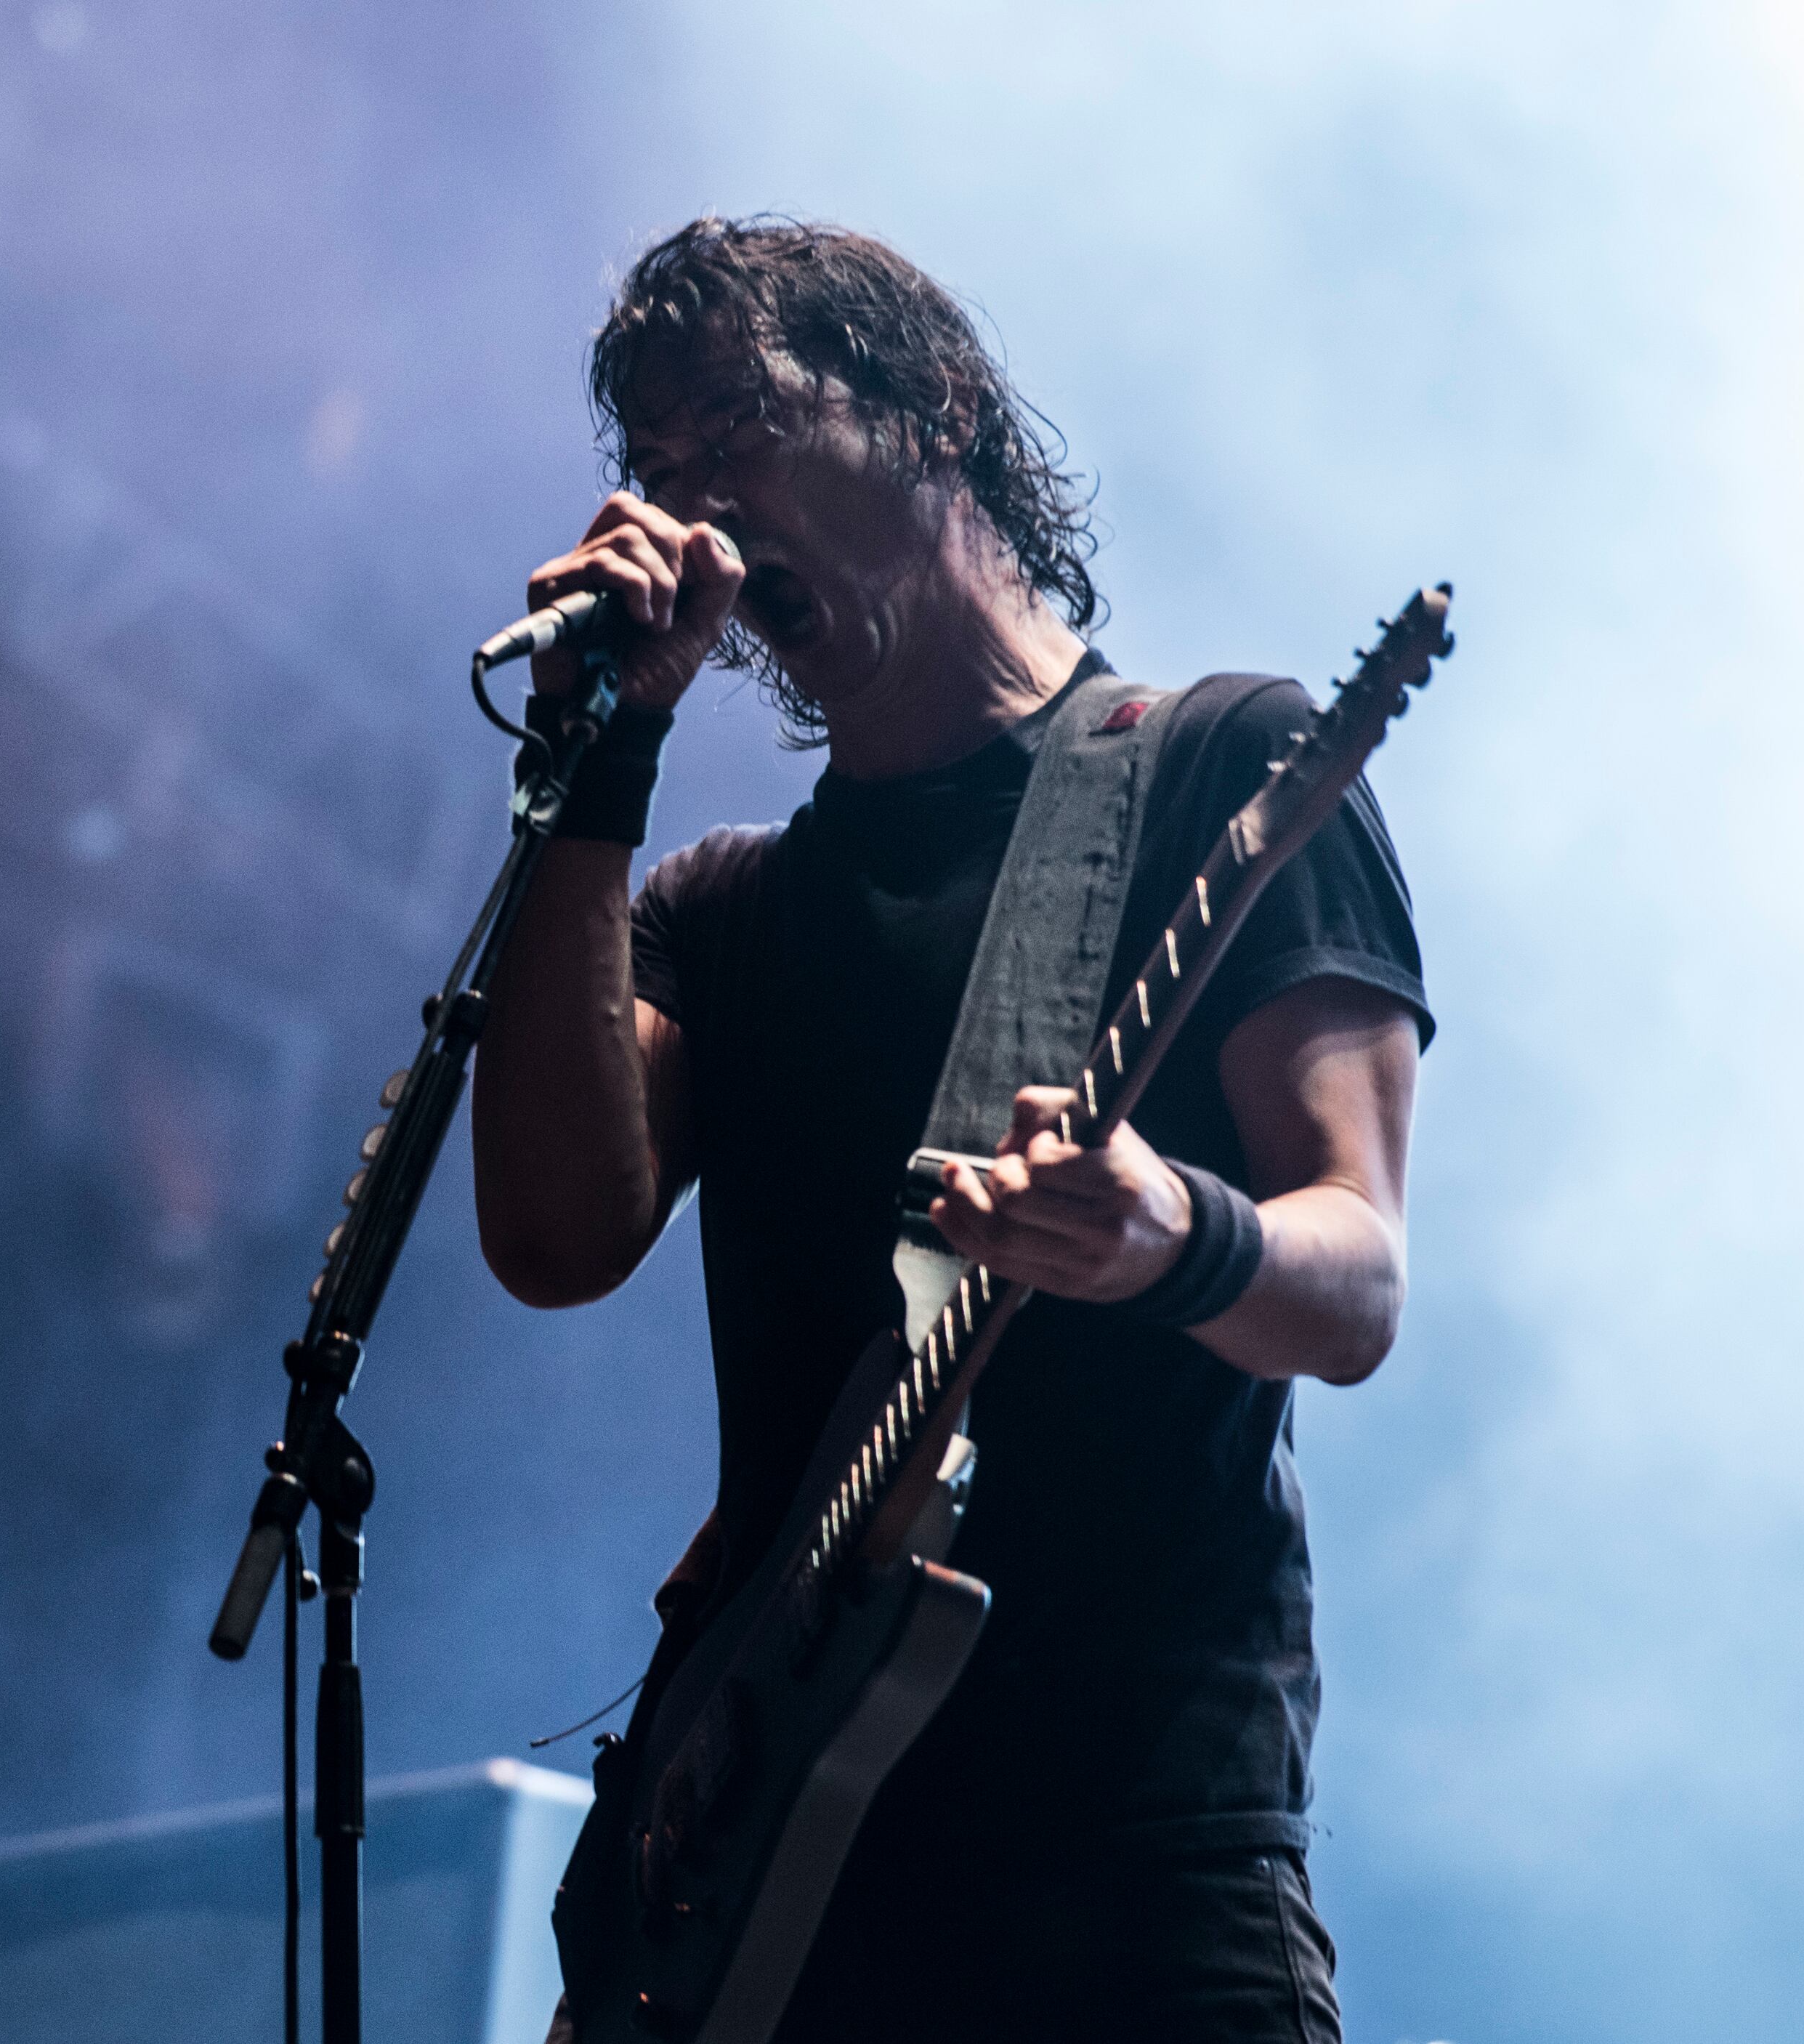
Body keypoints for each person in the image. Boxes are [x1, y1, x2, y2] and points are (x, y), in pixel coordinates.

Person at [471, 217, 1427, 2043]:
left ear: (930, 410)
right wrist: (598, 762)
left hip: (1127, 1858)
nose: (699, 515)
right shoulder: (720, 908)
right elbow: (551, 1241)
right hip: (759, 1874)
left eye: (735, 433)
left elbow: (1356, 1281)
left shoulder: (1219, 764)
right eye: (660, 471)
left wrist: (1173, 1240)